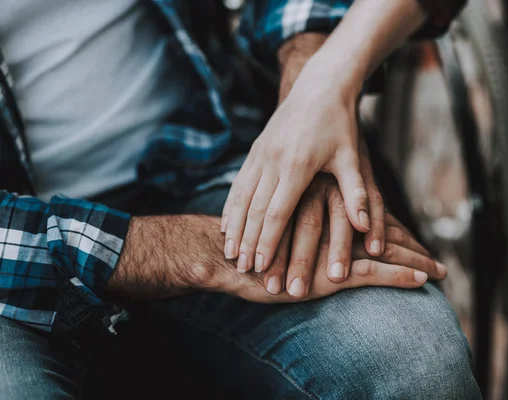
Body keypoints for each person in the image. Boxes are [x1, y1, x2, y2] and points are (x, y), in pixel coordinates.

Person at [0, 0, 481, 398]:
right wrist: (190, 255)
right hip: (15, 261)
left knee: (414, 357)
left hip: (193, 156)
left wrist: (308, 90)